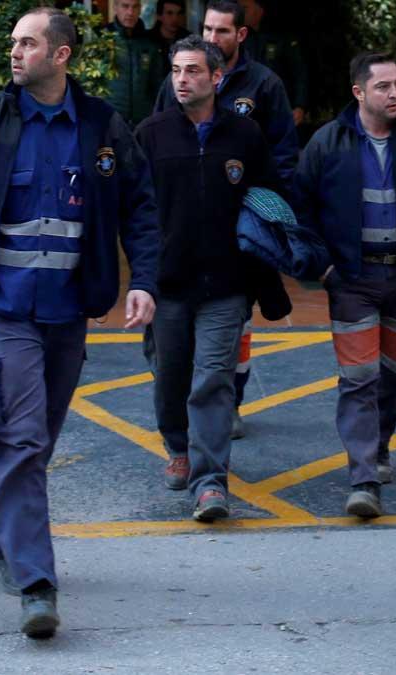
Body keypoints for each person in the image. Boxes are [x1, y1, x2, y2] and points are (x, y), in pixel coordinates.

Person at [0, 7, 158, 640]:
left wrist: (145, 281)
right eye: (14, 43)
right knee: (20, 442)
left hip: (70, 314)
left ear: (61, 55)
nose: (14, 53)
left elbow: (141, 208)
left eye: (27, 43)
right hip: (4, 311)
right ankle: (37, 583)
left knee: (33, 440)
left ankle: (5, 540)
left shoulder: (102, 127)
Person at [293, 53, 396, 518]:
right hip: (351, 281)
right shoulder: (328, 142)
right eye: (383, 86)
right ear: (359, 93)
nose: (394, 94)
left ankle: (380, 445)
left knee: (394, 374)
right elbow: (299, 209)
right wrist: (323, 269)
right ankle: (363, 478)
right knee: (358, 379)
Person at [135, 34, 285, 522]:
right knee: (171, 378)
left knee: (213, 381)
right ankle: (178, 447)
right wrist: (141, 277)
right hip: (169, 285)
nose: (182, 79)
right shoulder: (151, 135)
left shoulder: (245, 136)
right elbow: (134, 212)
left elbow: (267, 204)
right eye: (177, 70)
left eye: (193, 71)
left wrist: (268, 268)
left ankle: (209, 483)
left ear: (216, 78)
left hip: (226, 286)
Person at [152, 0, 300, 440]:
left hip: (237, 237)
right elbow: (159, 139)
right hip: (180, 242)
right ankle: (187, 427)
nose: (213, 38)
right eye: (208, 29)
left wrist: (266, 218)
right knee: (174, 348)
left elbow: (283, 159)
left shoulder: (265, 85)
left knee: (235, 328)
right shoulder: (177, 81)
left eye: (222, 31)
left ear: (241, 36)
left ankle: (229, 402)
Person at [238, 0, 308, 127]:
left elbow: (299, 73)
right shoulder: (239, 37)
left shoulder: (282, 37)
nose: (240, 12)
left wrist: (300, 105)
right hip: (246, 107)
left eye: (245, 8)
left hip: (278, 108)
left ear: (259, 10)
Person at [106, 0, 165, 126]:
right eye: (125, 6)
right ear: (116, 7)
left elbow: (158, 84)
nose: (130, 12)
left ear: (140, 9)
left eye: (135, 7)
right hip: (111, 119)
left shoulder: (150, 42)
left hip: (144, 121)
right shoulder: (103, 40)